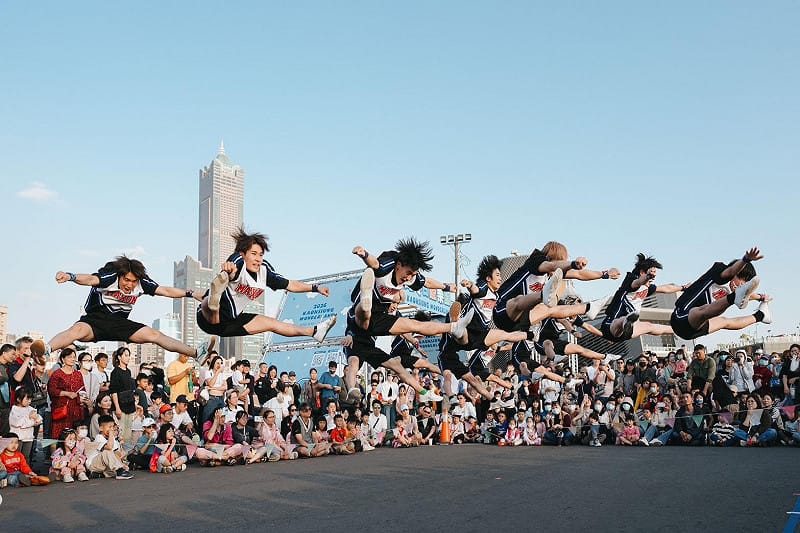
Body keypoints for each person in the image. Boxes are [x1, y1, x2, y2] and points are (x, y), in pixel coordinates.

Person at [344, 239, 470, 402]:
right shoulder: (388, 264)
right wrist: (363, 254)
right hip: (357, 319)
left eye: (413, 274)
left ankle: (454, 327)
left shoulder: (411, 277)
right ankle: (366, 298)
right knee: (364, 315)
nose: (408, 278)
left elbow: (428, 282)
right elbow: (374, 263)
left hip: (380, 318)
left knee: (414, 325)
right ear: (399, 265)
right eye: (408, 272)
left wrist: (445, 287)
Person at [31, 256, 216, 362]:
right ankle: (47, 350)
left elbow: (165, 290)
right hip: (95, 320)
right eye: (126, 280)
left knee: (154, 335)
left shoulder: (141, 283)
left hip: (119, 323)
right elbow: (89, 279)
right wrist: (70, 276)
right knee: (76, 330)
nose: (129, 285)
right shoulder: (110, 276)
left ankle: (196, 353)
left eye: (133, 281)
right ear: (120, 276)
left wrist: (192, 294)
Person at [197, 228, 336, 348]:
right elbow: (233, 266)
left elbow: (290, 284)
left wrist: (315, 288)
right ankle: (214, 302)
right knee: (212, 303)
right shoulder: (238, 261)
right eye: (253, 253)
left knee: (273, 324)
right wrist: (229, 271)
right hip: (206, 317)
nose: (258, 259)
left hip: (230, 323)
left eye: (261, 255)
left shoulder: (264, 271)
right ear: (243, 254)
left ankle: (314, 332)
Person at [492, 241, 618, 333]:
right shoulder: (536, 260)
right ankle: (542, 296)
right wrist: (573, 263)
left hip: (521, 322)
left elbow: (579, 274)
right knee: (520, 299)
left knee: (549, 308)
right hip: (502, 312)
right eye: (560, 262)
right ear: (551, 257)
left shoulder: (553, 274)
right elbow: (551, 266)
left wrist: (605, 274)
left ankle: (588, 308)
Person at [670, 247, 771, 340]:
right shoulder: (719, 272)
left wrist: (761, 298)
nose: (742, 284)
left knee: (724, 322)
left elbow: (747, 295)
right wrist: (746, 259)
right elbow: (731, 271)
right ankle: (734, 298)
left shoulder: (734, 290)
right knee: (703, 311)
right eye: (742, 279)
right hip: (681, 318)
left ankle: (761, 315)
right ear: (736, 273)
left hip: (694, 331)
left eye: (745, 283)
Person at [601, 254, 685, 342]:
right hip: (610, 325)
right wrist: (648, 276)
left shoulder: (647, 288)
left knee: (649, 326)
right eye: (652, 274)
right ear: (642, 272)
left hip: (626, 333)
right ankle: (626, 321)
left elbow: (665, 288)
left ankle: (680, 330)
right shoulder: (631, 279)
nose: (653, 278)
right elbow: (637, 282)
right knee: (621, 320)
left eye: (654, 275)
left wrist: (683, 288)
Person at [48, 348, 90, 440]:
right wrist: (67, 393)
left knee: (74, 435)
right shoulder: (57, 374)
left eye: (74, 357)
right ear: (63, 359)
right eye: (69, 357)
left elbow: (83, 389)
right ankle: (56, 454)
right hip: (62, 409)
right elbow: (51, 390)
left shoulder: (78, 374)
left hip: (76, 409)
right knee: (58, 435)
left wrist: (84, 398)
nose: (72, 359)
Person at [85, 415, 134, 479]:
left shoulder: (111, 438)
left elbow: (116, 453)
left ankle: (98, 474)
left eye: (112, 427)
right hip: (93, 464)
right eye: (109, 427)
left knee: (114, 470)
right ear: (101, 428)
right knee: (107, 451)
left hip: (104, 465)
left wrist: (121, 465)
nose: (111, 429)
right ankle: (119, 472)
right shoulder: (99, 437)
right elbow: (109, 447)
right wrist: (111, 433)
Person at [9, 388, 42, 463]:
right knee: (16, 456)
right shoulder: (14, 409)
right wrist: (31, 421)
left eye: (30, 399)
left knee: (26, 456)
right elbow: (17, 423)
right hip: (18, 438)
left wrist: (36, 418)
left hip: (28, 437)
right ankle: (15, 472)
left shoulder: (31, 409)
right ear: (18, 399)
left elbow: (39, 419)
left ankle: (26, 472)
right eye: (27, 399)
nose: (29, 401)